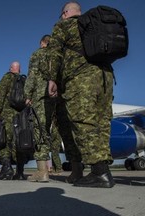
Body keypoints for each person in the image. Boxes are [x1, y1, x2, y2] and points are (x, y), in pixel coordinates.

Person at [47, 1, 115, 188]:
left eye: (62, 13)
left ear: (65, 13)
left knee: (84, 122)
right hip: (105, 77)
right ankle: (103, 170)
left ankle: (100, 173)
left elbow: (54, 53)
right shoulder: (93, 25)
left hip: (81, 78)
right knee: (101, 123)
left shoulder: (64, 25)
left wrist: (52, 79)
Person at [24, 35, 51, 182]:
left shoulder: (38, 54)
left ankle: (42, 171)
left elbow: (32, 75)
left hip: (41, 96)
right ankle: (77, 170)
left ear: (42, 43)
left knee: (40, 131)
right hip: (59, 96)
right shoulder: (60, 54)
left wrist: (27, 94)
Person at [0, 61, 21, 180]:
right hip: (20, 115)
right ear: (19, 69)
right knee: (17, 141)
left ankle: (8, 167)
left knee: (4, 140)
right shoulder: (23, 80)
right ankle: (17, 171)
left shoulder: (7, 77)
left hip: (7, 113)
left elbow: (1, 94)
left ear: (11, 68)